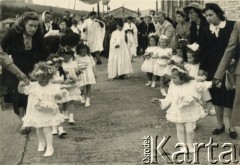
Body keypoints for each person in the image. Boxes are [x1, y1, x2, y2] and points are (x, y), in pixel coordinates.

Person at [1, 12, 50, 134]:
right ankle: (23, 122)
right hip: (13, 66)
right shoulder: (13, 33)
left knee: (29, 94)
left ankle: (29, 117)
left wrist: (43, 67)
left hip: (31, 66)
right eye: (30, 25)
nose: (33, 29)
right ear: (23, 24)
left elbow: (44, 51)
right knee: (17, 94)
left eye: (36, 26)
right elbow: (1, 48)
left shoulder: (38, 34)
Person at [152, 65, 211, 153]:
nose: (172, 80)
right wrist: (159, 101)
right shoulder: (172, 86)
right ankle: (182, 145)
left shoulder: (192, 83)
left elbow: (202, 85)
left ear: (182, 77)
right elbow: (169, 98)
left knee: (190, 130)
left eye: (174, 78)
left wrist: (214, 83)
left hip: (190, 110)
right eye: (172, 77)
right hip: (178, 111)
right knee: (180, 129)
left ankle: (190, 145)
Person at [199, 3, 236, 139]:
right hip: (212, 68)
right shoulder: (204, 29)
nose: (208, 18)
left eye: (211, 15)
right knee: (216, 97)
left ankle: (232, 126)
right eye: (206, 16)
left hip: (229, 67)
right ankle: (220, 125)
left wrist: (235, 58)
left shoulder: (232, 26)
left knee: (229, 96)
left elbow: (238, 45)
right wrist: (202, 68)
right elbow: (203, 50)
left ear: (218, 14)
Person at [18, 62, 65, 157]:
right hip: (36, 112)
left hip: (47, 112)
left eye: (46, 81)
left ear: (50, 78)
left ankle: (50, 147)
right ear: (36, 77)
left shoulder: (52, 86)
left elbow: (58, 97)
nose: (43, 83)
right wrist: (20, 84)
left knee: (47, 129)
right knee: (38, 128)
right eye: (41, 80)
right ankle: (41, 143)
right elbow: (22, 91)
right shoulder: (33, 85)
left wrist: (59, 95)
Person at [184, 43, 215, 116]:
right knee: (195, 97)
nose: (188, 59)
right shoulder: (189, 65)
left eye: (190, 58)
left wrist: (201, 78)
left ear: (196, 57)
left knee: (206, 96)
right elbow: (185, 71)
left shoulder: (200, 66)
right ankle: (199, 110)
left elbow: (204, 76)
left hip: (199, 84)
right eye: (187, 57)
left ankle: (210, 108)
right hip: (192, 85)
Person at [57, 47, 82, 124]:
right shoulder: (60, 64)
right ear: (61, 56)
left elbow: (76, 72)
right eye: (65, 58)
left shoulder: (73, 63)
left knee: (71, 100)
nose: (67, 59)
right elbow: (57, 74)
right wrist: (63, 72)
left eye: (69, 57)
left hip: (72, 84)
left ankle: (71, 117)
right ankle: (65, 113)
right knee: (64, 100)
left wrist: (78, 72)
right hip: (64, 84)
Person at [46, 54, 67, 137]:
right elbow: (49, 81)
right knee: (53, 109)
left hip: (59, 91)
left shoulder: (61, 72)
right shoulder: (48, 74)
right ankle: (54, 127)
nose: (57, 67)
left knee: (59, 109)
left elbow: (64, 80)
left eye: (59, 66)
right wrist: (59, 82)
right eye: (55, 66)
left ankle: (60, 128)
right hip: (51, 92)